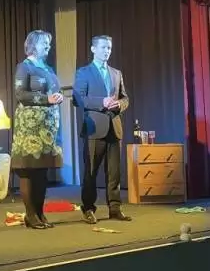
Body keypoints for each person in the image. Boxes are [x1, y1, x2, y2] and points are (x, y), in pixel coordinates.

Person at [73, 35, 132, 224]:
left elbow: (125, 98)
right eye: (103, 47)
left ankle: (115, 208)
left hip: (114, 127)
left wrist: (120, 105)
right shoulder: (84, 72)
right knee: (90, 172)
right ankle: (88, 208)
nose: (107, 51)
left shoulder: (116, 73)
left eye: (109, 48)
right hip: (94, 129)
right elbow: (78, 99)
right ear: (93, 49)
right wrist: (102, 102)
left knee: (114, 173)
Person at [10, 30, 64, 229]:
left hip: (47, 128)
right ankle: (30, 215)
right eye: (44, 43)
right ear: (33, 45)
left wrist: (57, 96)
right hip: (30, 127)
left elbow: (54, 90)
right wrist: (45, 99)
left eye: (49, 43)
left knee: (42, 172)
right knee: (29, 171)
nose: (48, 47)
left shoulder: (48, 68)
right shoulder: (24, 67)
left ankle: (40, 213)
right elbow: (20, 94)